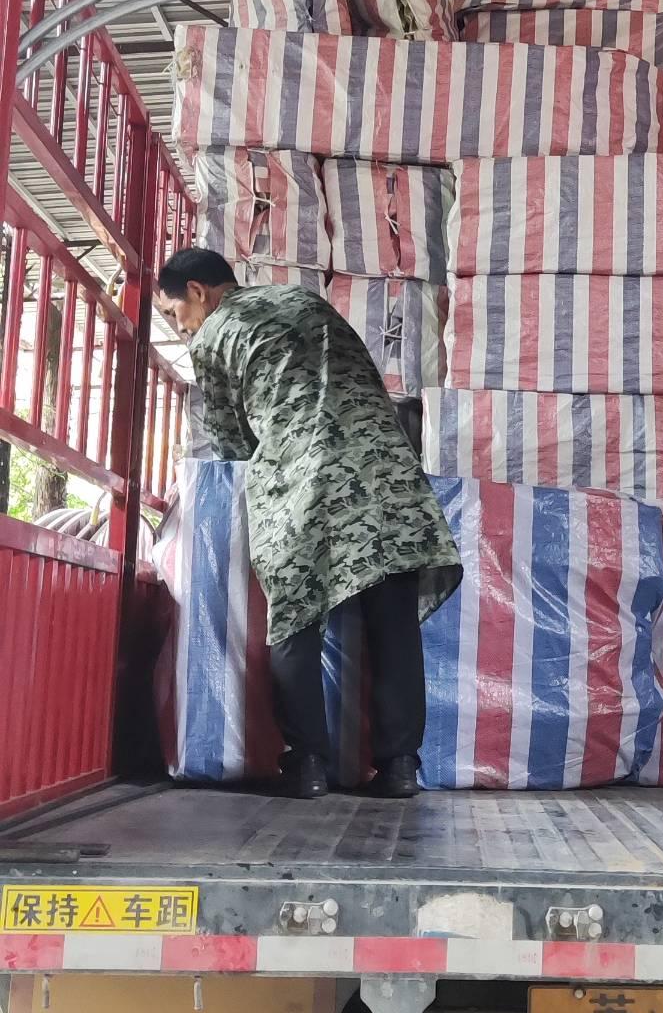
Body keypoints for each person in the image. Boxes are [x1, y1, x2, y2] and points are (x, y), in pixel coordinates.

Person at [156, 249, 461, 801]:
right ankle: (399, 767)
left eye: (176, 314)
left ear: (198, 292)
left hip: (303, 483)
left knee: (294, 619)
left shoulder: (215, 336)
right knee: (393, 625)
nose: (182, 328)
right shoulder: (303, 300)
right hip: (386, 475)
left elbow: (232, 445)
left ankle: (308, 766)